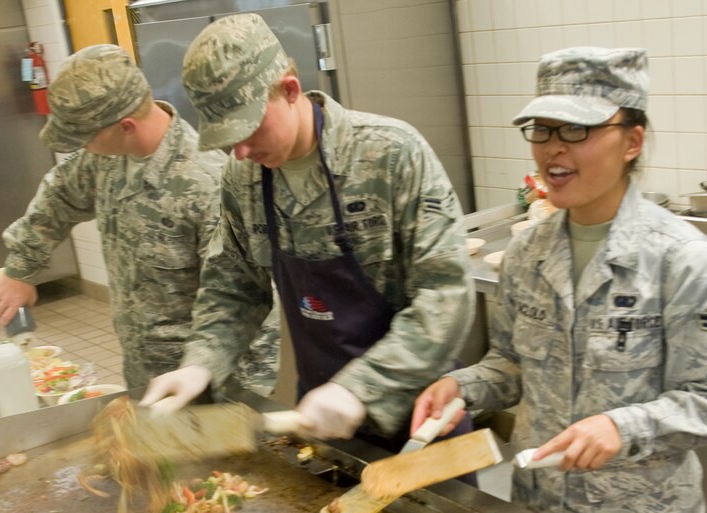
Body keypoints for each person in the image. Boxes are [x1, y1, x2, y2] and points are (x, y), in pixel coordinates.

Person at [410, 47, 707, 513]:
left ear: (632, 141)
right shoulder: (527, 253)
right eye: (543, 128)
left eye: (579, 129)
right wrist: (460, 387)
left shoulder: (681, 259)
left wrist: (621, 425)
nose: (555, 148)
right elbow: (512, 364)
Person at [140, 13, 476, 449]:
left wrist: (359, 388)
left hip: (423, 422)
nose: (239, 151)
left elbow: (446, 295)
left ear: (290, 90)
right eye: (227, 139)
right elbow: (233, 288)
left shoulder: (391, 154)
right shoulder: (243, 177)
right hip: (318, 424)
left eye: (248, 129)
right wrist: (201, 363)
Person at [0, 44, 279, 394]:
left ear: (125, 125)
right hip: (142, 373)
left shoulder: (204, 186)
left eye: (86, 138)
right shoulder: (106, 158)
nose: (81, 147)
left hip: (204, 385)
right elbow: (60, 194)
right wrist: (21, 267)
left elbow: (248, 305)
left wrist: (247, 404)